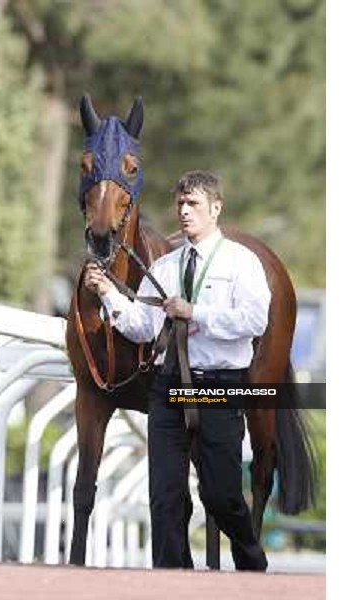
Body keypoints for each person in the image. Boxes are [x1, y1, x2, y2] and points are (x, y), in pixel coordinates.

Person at [84, 170, 270, 571]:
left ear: (216, 209)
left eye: (194, 205)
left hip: (219, 386)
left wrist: (194, 312)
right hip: (168, 387)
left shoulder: (242, 263)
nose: (185, 212)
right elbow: (142, 325)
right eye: (180, 205)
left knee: (222, 496)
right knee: (165, 497)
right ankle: (173, 581)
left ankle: (252, 564)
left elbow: (255, 321)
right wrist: (108, 293)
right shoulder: (167, 266)